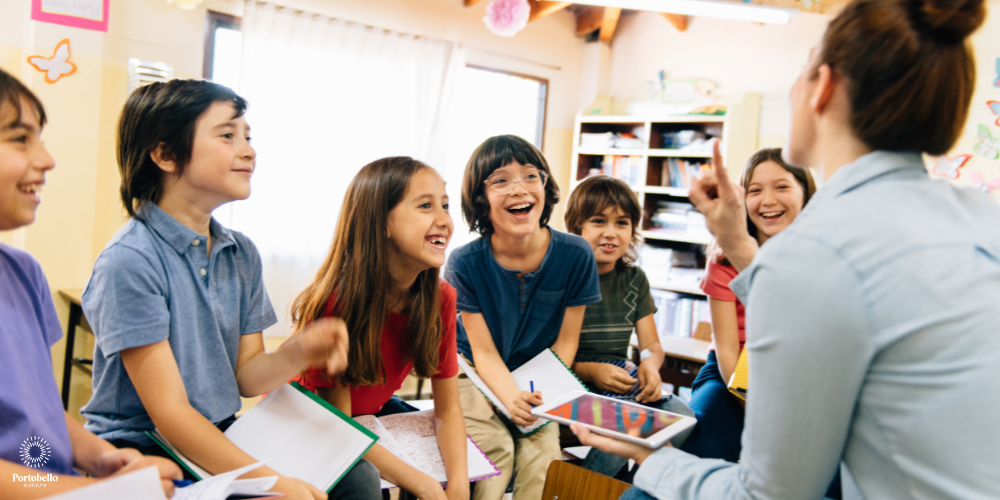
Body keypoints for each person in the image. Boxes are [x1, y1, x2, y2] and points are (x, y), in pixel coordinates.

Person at [574, 0, 1000, 498]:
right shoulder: (982, 218)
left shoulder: (816, 254)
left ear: (823, 87)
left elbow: (771, 494)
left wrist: (652, 460)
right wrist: (735, 240)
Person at [81, 79, 365, 500]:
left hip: (216, 429)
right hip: (143, 445)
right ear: (164, 154)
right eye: (228, 135)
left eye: (248, 136)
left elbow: (246, 377)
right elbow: (172, 414)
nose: (248, 150)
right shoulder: (130, 260)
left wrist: (298, 352)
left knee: (355, 479)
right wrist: (274, 482)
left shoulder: (241, 251)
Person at [0, 67, 182, 498]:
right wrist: (86, 493)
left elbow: (37, 417)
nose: (47, 159)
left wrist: (97, 456)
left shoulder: (23, 272)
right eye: (20, 138)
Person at [291, 157, 469, 500]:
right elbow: (339, 424)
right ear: (381, 224)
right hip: (311, 421)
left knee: (457, 474)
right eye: (426, 206)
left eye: (445, 206)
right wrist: (419, 481)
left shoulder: (441, 297)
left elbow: (447, 410)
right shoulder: (334, 302)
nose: (444, 220)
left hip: (367, 415)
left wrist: (458, 483)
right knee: (371, 484)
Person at [445, 135, 601, 500]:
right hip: (470, 371)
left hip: (540, 377)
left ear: (545, 186)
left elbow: (566, 342)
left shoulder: (576, 254)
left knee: (543, 453)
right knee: (495, 449)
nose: (519, 188)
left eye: (531, 176)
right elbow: (481, 352)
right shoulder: (464, 263)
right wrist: (508, 397)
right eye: (500, 180)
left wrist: (532, 396)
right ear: (480, 201)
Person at [680, 148, 815, 463]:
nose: (768, 200)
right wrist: (752, 408)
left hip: (798, 375)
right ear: (740, 200)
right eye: (755, 190)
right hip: (732, 370)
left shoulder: (822, 255)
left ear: (806, 195)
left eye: (782, 187)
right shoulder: (724, 259)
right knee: (704, 445)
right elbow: (727, 350)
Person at [562, 174, 694, 481]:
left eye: (622, 223)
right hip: (572, 382)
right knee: (629, 424)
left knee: (684, 417)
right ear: (575, 228)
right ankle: (585, 489)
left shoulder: (635, 279)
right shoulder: (562, 277)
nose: (611, 233)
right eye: (598, 221)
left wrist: (650, 362)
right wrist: (590, 371)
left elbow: (652, 344)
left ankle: (628, 487)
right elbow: (546, 354)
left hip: (622, 383)